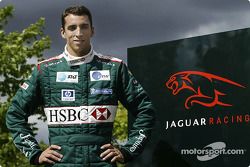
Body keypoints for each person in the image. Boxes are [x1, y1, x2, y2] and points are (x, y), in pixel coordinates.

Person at [6, 5, 155, 167]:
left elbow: (145, 110)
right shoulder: (45, 70)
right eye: (72, 28)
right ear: (63, 32)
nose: (78, 33)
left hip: (102, 163)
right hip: (61, 163)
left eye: (84, 27)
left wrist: (128, 150)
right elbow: (14, 115)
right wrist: (34, 153)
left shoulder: (114, 68)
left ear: (92, 30)